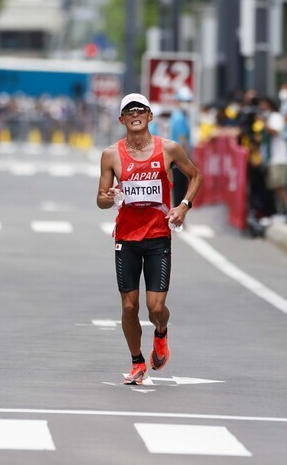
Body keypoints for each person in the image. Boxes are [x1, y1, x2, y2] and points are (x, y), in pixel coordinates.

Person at [96, 93, 203, 385]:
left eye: (140, 110)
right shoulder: (111, 155)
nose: (135, 114)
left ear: (150, 116)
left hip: (158, 237)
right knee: (129, 307)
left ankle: (161, 334)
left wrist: (184, 206)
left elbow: (195, 176)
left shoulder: (168, 149)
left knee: (156, 308)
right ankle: (137, 362)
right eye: (129, 111)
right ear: (121, 119)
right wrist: (108, 197)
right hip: (126, 238)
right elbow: (101, 200)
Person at [170, 87, 194, 206]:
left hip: (177, 158)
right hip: (180, 159)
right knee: (180, 189)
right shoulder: (179, 117)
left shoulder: (181, 116)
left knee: (180, 189)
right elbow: (183, 140)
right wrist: (188, 159)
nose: (187, 104)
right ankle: (177, 217)